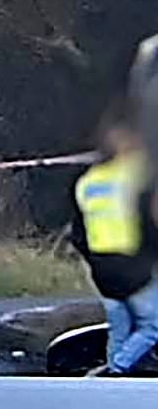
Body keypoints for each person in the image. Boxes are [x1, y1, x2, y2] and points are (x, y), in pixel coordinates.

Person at [71, 118, 158, 377]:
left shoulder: (88, 182)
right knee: (152, 326)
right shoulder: (134, 174)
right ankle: (117, 368)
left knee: (119, 327)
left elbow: (78, 232)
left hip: (100, 265)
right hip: (131, 265)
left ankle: (110, 383)